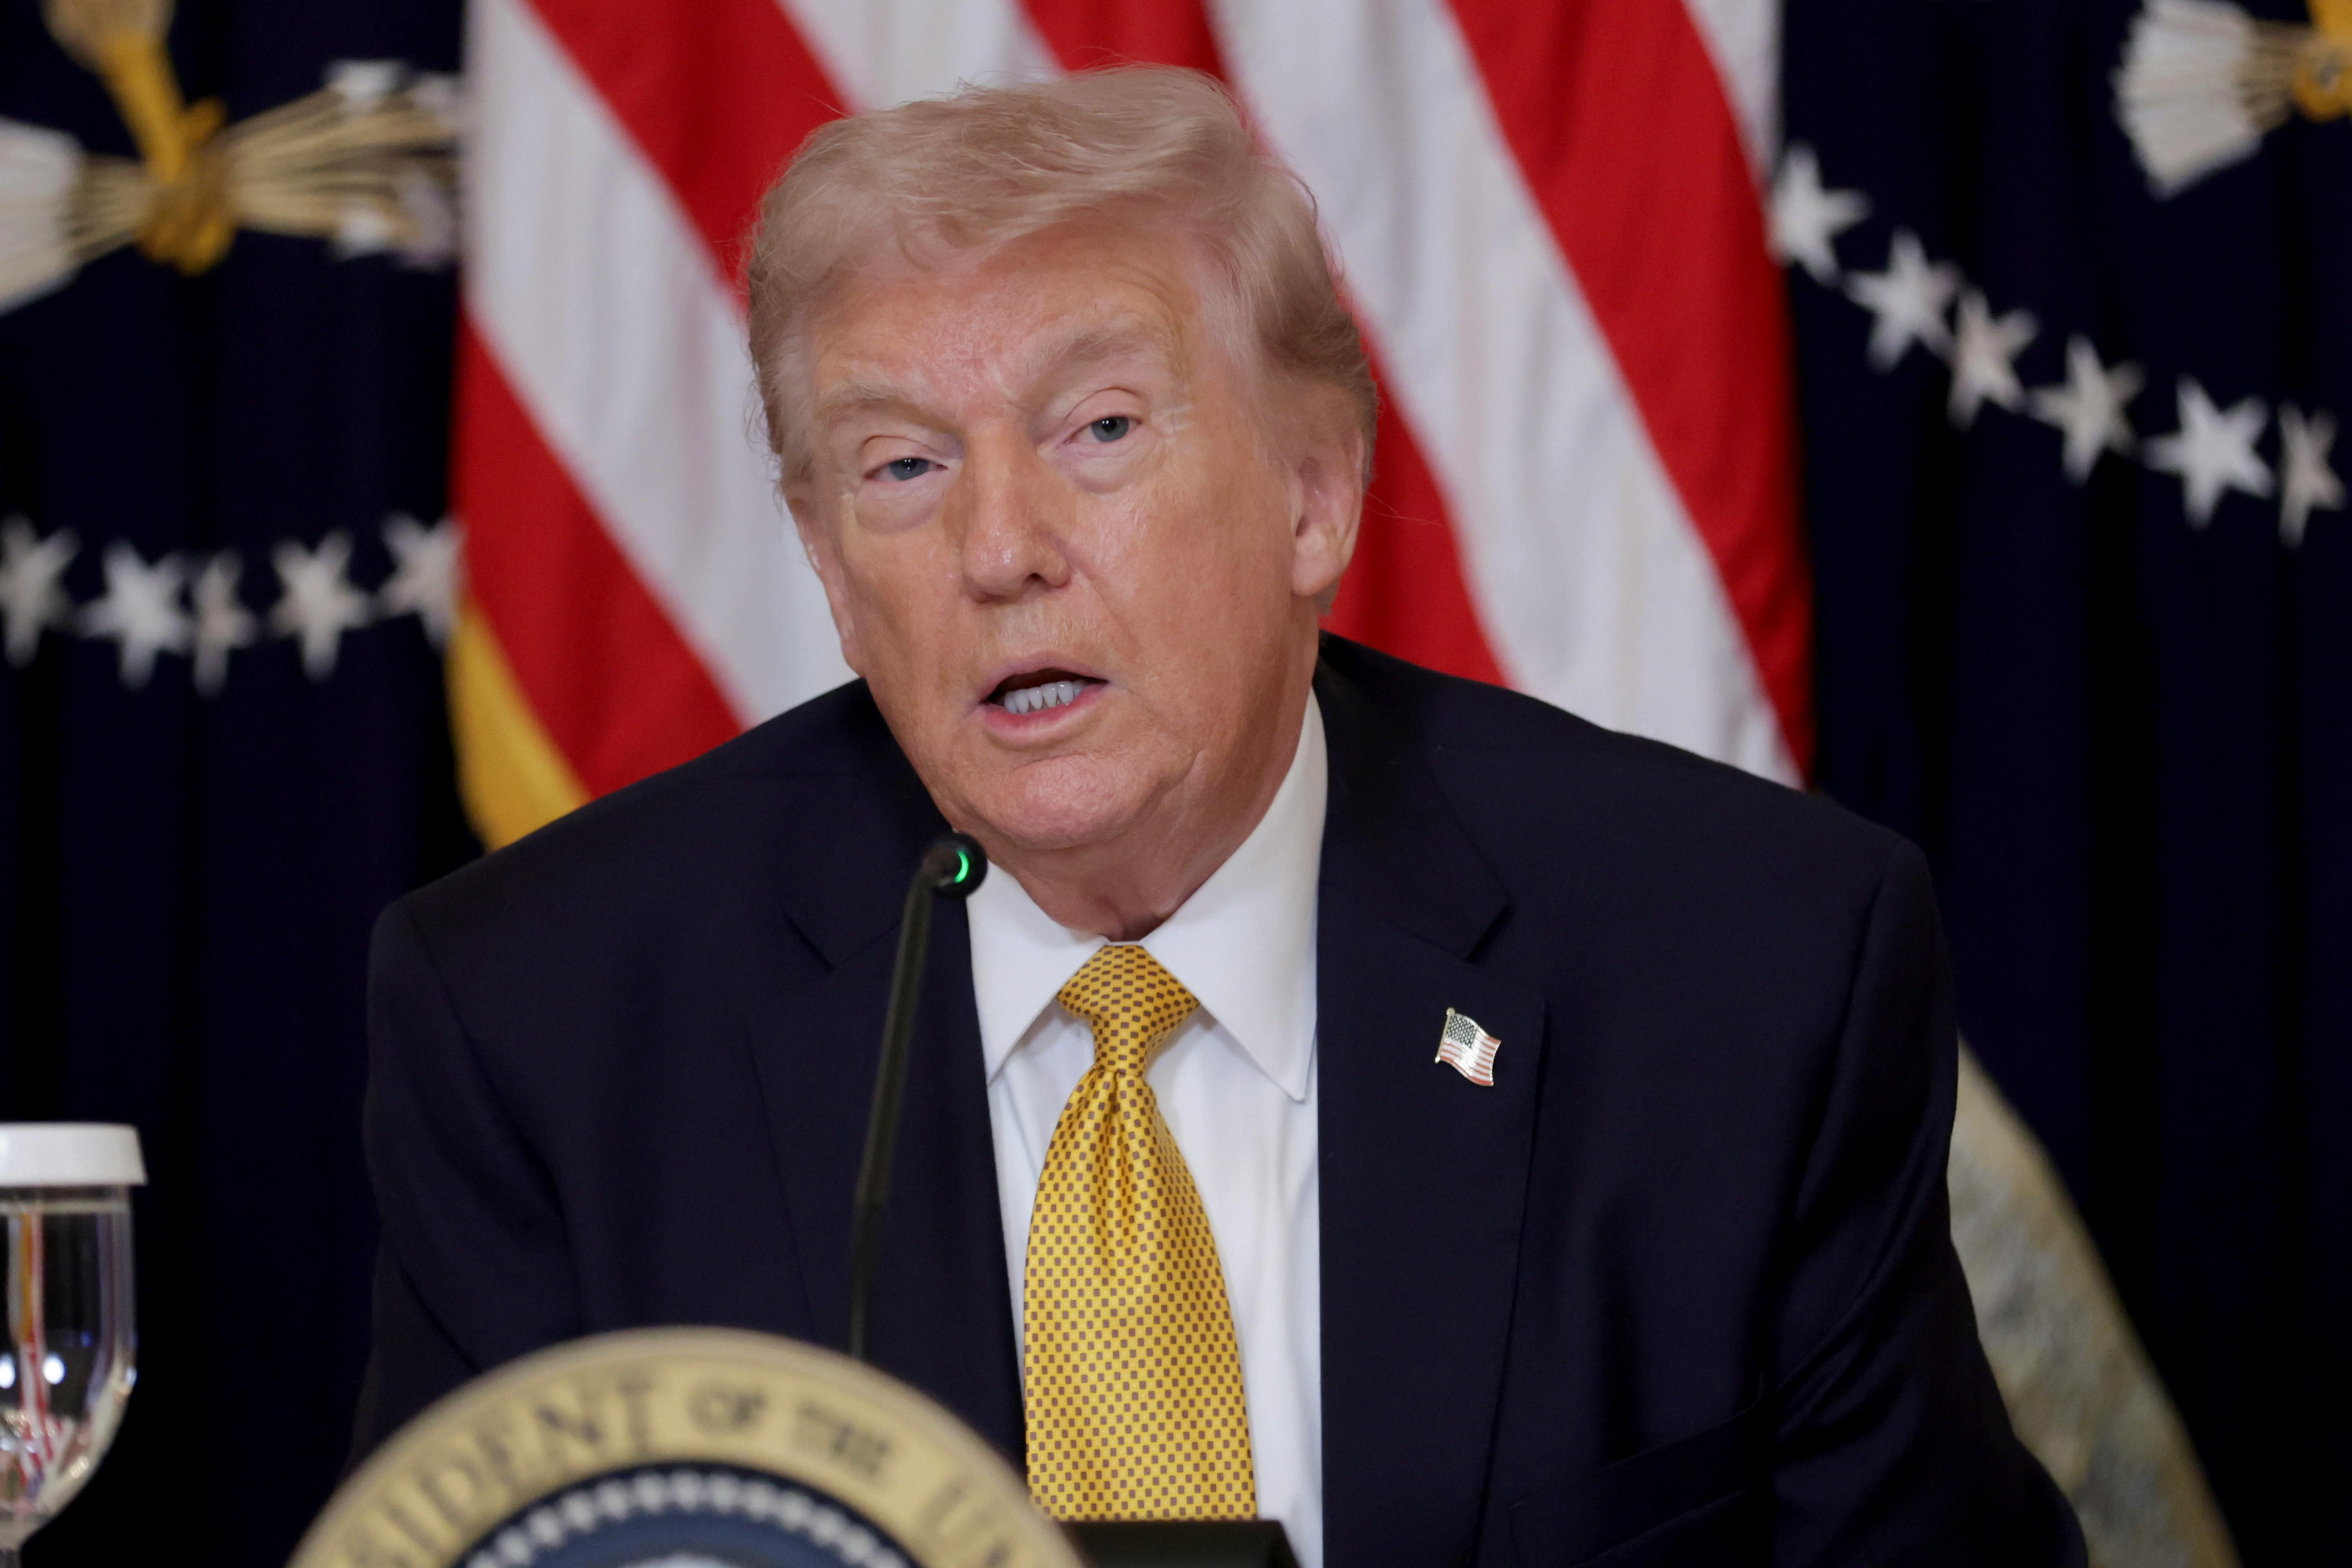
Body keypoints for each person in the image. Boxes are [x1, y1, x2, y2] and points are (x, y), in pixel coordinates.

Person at [354, 67, 2083, 1567]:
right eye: (900, 466)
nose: (999, 546)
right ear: (823, 558)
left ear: (1317, 494)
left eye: (1098, 429)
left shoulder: (1740, 973)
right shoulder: (549, 1023)